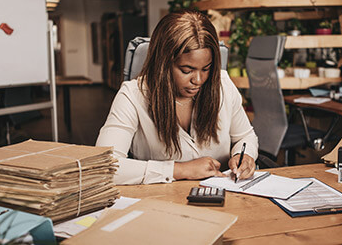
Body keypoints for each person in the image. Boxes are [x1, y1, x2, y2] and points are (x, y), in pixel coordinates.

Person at [96, 9, 258, 185]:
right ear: (163, 64)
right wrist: (180, 169)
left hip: (225, 198)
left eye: (206, 69)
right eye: (186, 70)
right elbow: (104, 168)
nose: (198, 80)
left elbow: (245, 137)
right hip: (161, 203)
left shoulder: (222, 85)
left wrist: (244, 156)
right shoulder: (133, 96)